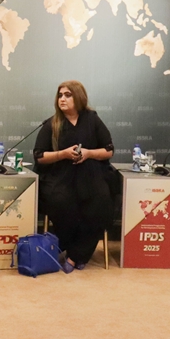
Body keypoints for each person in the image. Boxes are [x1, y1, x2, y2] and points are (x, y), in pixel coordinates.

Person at [33, 81, 115, 272]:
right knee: (61, 202)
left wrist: (88, 153)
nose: (62, 99)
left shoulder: (92, 119)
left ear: (78, 97)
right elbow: (39, 156)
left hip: (90, 175)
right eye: (60, 95)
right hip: (60, 176)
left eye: (68, 95)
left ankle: (76, 255)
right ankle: (73, 251)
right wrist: (62, 154)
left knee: (101, 202)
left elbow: (109, 150)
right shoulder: (52, 123)